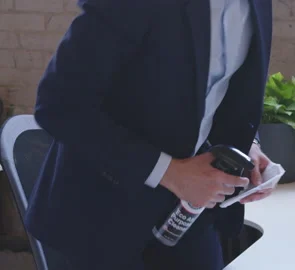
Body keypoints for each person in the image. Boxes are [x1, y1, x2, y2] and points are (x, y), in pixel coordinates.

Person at [24, 0, 274, 269]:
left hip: (187, 213)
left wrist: (248, 145)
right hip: (100, 214)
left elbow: (222, 88)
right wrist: (171, 172)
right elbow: (58, 104)